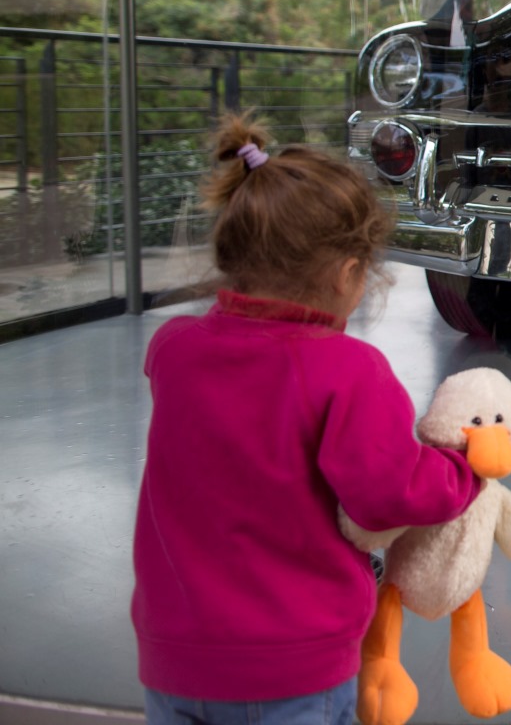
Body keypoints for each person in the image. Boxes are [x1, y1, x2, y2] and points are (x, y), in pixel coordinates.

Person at [132, 116, 483, 725]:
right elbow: (386, 494)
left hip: (174, 662)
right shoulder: (347, 371)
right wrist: (463, 470)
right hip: (294, 669)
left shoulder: (173, 349)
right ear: (349, 276)